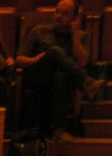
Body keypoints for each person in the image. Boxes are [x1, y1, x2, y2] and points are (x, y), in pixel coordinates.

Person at [16, 0, 103, 142]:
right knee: (55, 51)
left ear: (74, 18)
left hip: (63, 82)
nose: (58, 16)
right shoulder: (39, 30)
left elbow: (82, 62)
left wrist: (74, 33)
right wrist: (35, 60)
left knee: (60, 73)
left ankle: (58, 130)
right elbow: (19, 59)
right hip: (38, 78)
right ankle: (86, 83)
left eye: (65, 14)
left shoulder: (81, 36)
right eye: (57, 11)